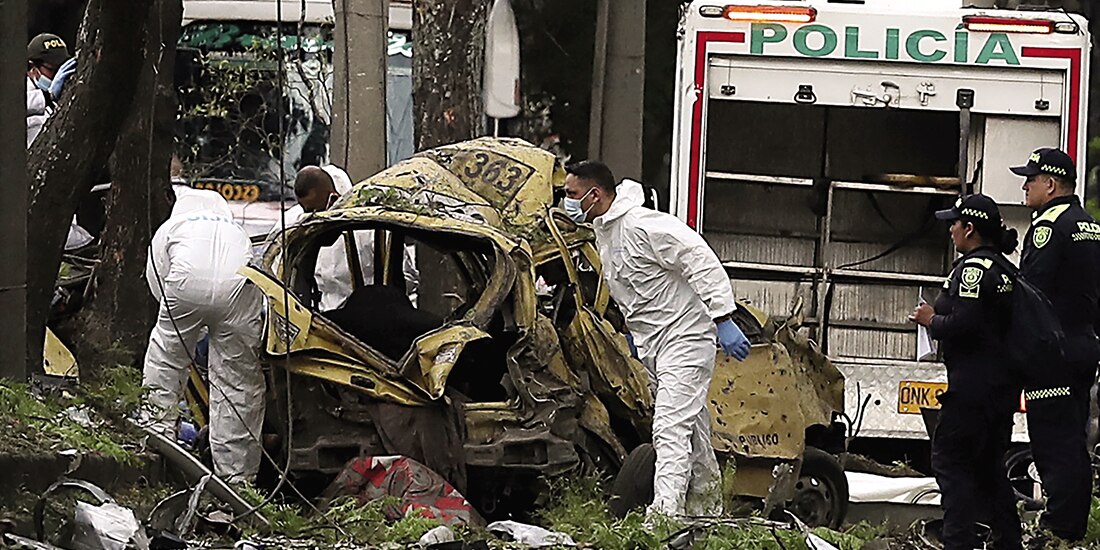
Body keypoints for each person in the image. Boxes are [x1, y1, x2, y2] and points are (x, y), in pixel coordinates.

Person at [563, 160, 751, 517]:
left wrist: (723, 316)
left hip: (686, 335)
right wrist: (636, 336)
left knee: (669, 428)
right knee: (691, 429)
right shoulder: (607, 233)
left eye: (572, 194)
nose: (567, 202)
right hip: (658, 343)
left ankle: (664, 518)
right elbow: (636, 291)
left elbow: (698, 258)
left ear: (595, 194)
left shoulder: (641, 224)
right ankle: (708, 513)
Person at [909, 194, 1022, 550]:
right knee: (989, 470)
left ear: (969, 228)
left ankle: (958, 540)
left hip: (973, 389)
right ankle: (1008, 541)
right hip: (999, 390)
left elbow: (966, 323)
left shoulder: (973, 269)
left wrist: (932, 320)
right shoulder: (1005, 268)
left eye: (954, 224)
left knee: (951, 463)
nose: (951, 230)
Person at [142, 190, 265, 484]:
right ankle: (237, 479)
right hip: (238, 290)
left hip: (185, 285)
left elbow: (157, 283)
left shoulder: (171, 228)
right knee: (238, 382)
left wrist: (186, 330)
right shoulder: (235, 230)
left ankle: (157, 442)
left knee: (167, 363)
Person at [1012, 147, 1100, 543]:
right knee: (1073, 437)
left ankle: (1060, 529)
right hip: (1083, 345)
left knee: (1052, 440)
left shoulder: (1049, 226)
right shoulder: (1090, 225)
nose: (1025, 185)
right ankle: (1071, 525)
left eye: (1031, 179)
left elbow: (1033, 293)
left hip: (1053, 351)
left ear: (1050, 184)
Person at [280, 165, 419, 310]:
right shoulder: (295, 225)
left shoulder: (372, 228)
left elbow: (406, 278)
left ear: (334, 199)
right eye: (307, 211)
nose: (313, 217)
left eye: (317, 211)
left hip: (372, 316)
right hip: (320, 321)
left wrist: (374, 295)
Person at [26, 33, 76, 146]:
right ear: (32, 67)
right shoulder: (18, 91)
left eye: (62, 68)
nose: (58, 75)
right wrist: (48, 96)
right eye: (52, 69)